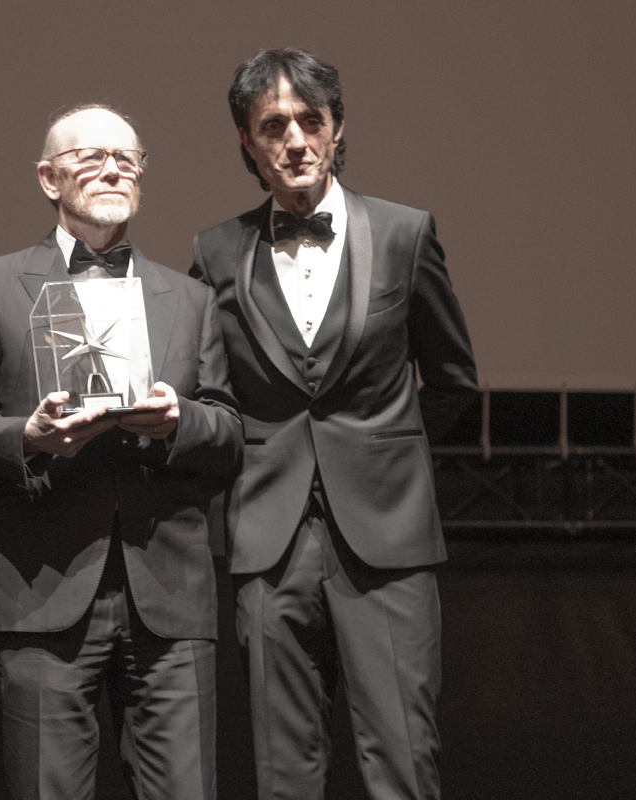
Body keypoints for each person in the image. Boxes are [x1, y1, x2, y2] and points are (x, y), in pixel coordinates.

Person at [190, 49, 478, 800]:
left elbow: (451, 382)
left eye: (310, 121)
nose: (294, 140)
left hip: (386, 537)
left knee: (403, 759)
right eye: (273, 125)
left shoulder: (406, 234)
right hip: (269, 536)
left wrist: (384, 458)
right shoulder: (215, 253)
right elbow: (207, 391)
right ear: (248, 144)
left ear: (338, 127)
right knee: (284, 769)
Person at [0, 104, 242, 800]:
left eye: (126, 159)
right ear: (48, 179)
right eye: (88, 157)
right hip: (42, 583)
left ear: (142, 177)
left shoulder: (190, 298)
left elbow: (227, 430)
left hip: (169, 593)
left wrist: (179, 421)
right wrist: (29, 437)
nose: (111, 169)